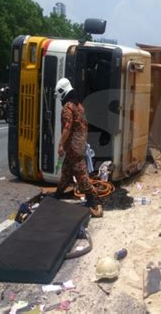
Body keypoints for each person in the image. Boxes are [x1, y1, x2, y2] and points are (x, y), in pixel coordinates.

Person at [54, 77, 103, 217]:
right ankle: (58, 194)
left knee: (81, 173)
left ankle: (92, 199)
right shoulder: (80, 106)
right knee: (67, 169)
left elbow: (67, 128)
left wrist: (61, 144)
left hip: (73, 146)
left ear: (62, 92)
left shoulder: (67, 107)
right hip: (80, 143)